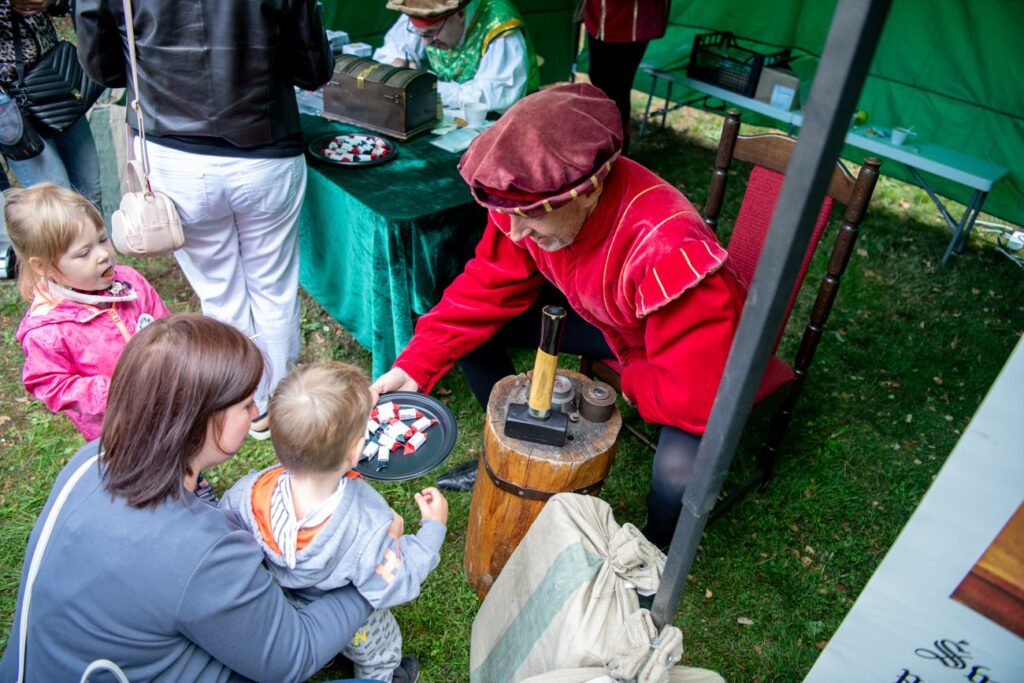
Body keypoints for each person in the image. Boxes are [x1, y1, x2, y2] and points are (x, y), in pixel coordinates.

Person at [372, 84, 746, 548]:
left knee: (676, 478)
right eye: (508, 216)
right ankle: (516, 445)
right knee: (472, 335)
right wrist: (413, 367)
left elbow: (695, 395)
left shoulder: (667, 250)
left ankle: (651, 551)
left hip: (676, 355)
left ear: (589, 193)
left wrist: (626, 383)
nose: (515, 231)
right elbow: (487, 286)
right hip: (608, 323)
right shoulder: (526, 206)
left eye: (530, 218)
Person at [0, 314, 373, 681]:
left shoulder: (93, 459)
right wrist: (370, 580)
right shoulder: (204, 552)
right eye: (245, 405)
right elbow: (293, 655)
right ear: (198, 418)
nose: (257, 412)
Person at [76, 0, 334, 440]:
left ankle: (247, 401)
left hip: (175, 150)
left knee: (220, 290)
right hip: (263, 143)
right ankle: (274, 401)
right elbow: (312, 68)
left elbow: (104, 67)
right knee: (273, 284)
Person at [221, 361, 448, 683]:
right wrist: (433, 529)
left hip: (289, 605)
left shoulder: (247, 493)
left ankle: (321, 654)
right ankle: (382, 677)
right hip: (353, 622)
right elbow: (398, 578)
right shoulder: (366, 526)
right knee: (378, 647)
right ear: (356, 451)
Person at [7, 183, 169, 441]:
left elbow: (166, 326)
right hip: (118, 428)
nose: (103, 255)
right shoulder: (46, 331)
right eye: (84, 253)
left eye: (102, 239)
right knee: (144, 472)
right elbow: (53, 385)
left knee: (181, 449)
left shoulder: (130, 282)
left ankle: (192, 479)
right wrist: (117, 391)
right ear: (44, 267)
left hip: (167, 401)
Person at [0, 0, 102, 206]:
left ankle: (94, 238)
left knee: (90, 190)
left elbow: (64, 6)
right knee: (57, 200)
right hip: (9, 99)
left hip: (53, 78)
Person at [372, 0, 540, 114]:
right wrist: (399, 65)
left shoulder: (500, 24)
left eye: (431, 33)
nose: (425, 43)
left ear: (459, 14)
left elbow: (496, 97)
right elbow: (389, 51)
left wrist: (427, 87)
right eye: (419, 34)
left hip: (504, 122)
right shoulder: (422, 9)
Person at [583, 0, 670, 153]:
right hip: (601, 13)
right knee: (598, 75)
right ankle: (600, 141)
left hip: (633, 18)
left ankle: (616, 150)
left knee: (618, 84)